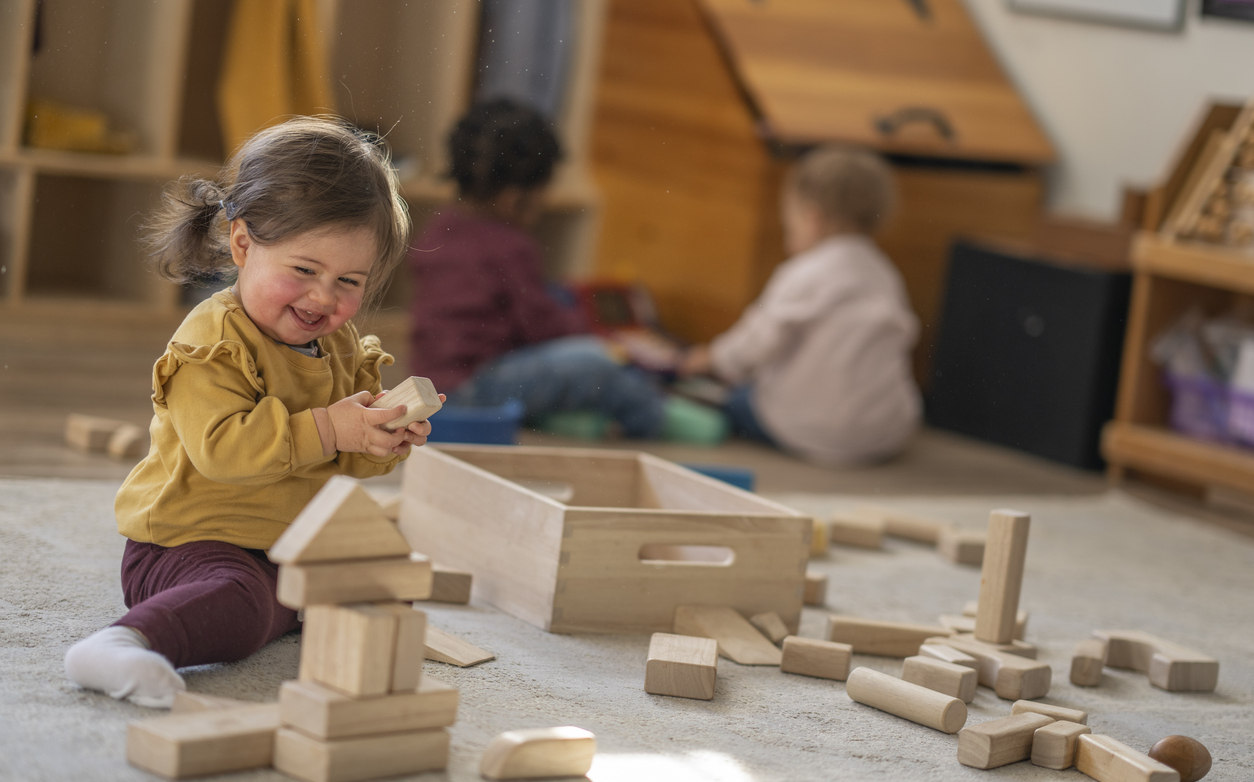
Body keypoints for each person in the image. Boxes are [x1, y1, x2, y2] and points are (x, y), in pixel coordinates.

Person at [63, 116, 435, 707]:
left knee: (383, 576)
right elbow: (224, 452)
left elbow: (339, 460)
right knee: (240, 599)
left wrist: (377, 440)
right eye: (304, 270)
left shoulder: (340, 346)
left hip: (284, 541)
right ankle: (121, 644)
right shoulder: (211, 343)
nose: (323, 297)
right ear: (243, 244)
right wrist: (334, 427)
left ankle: (288, 607)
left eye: (349, 281)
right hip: (188, 542)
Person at [409, 98, 677, 439]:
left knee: (560, 305)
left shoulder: (439, 226)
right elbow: (543, 327)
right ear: (513, 196)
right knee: (597, 363)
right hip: (478, 388)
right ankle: (656, 417)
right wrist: (598, 334)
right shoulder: (510, 246)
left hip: (432, 382)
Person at [680, 145, 921, 465]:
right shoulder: (885, 274)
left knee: (734, 398)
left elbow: (756, 341)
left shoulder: (804, 272)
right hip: (883, 434)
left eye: (788, 223)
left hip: (805, 429)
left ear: (812, 218)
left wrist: (711, 358)